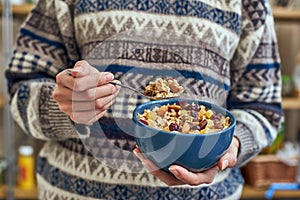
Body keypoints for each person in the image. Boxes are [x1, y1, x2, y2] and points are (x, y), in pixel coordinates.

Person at [5, 0, 283, 199]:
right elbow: (20, 90)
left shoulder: (250, 4)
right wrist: (64, 105)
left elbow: (262, 108)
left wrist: (227, 147)